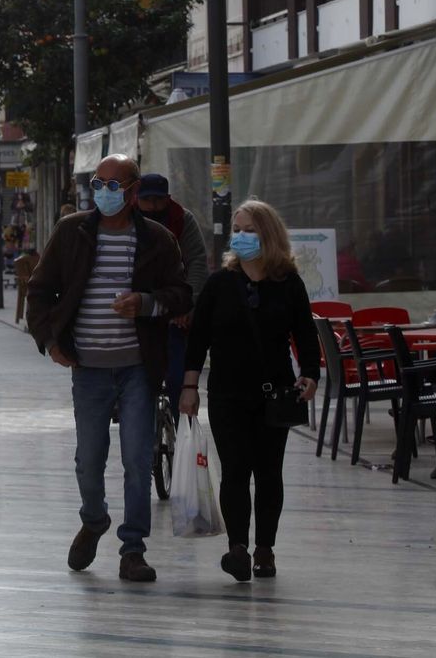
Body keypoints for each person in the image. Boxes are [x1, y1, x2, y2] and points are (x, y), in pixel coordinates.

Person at [25, 153, 191, 584]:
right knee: (89, 459)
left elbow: (181, 293)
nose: (103, 192)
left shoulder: (156, 239)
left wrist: (146, 303)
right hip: (89, 367)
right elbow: (38, 291)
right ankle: (94, 519)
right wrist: (49, 342)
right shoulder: (72, 231)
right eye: (98, 183)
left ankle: (133, 549)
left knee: (138, 459)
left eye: (113, 185)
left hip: (138, 366)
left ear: (133, 192)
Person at [180, 199, 319, 582]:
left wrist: (310, 374)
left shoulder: (288, 284)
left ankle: (265, 549)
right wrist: (189, 386)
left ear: (268, 235)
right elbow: (198, 339)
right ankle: (238, 548)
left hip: (275, 394)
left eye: (249, 230)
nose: (240, 237)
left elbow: (305, 333)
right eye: (237, 230)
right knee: (235, 471)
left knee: (269, 472)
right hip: (227, 394)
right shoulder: (219, 284)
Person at [134, 173, 209, 417]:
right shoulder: (126, 219)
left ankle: (181, 425)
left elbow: (197, 262)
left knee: (178, 377)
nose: (153, 206)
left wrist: (188, 304)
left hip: (176, 309)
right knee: (137, 382)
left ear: (168, 198)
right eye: (147, 200)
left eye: (158, 200)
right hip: (139, 310)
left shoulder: (182, 219)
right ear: (136, 199)